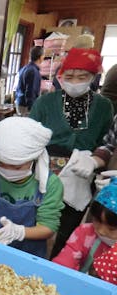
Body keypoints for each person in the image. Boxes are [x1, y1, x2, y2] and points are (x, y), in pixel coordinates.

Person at [29, 47, 114, 259]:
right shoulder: (45, 102)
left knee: (69, 224)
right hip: (46, 168)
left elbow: (107, 141)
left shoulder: (104, 106)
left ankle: (62, 260)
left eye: (82, 77)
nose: (75, 82)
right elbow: (29, 135)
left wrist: (94, 161)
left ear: (94, 77)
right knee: (38, 217)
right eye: (69, 77)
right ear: (60, 77)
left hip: (81, 171)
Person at [0, 117, 64, 258]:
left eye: (16, 166)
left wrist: (19, 232)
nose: (7, 170)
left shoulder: (50, 184)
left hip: (29, 254)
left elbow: (48, 227)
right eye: (1, 163)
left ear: (34, 158)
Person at [52, 177, 117, 285]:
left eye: (112, 228)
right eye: (97, 221)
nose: (101, 231)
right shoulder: (85, 233)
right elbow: (64, 263)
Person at [14, 46, 45, 116]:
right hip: (26, 106)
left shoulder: (24, 68)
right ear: (41, 57)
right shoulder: (33, 71)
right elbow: (30, 92)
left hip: (20, 102)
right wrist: (32, 109)